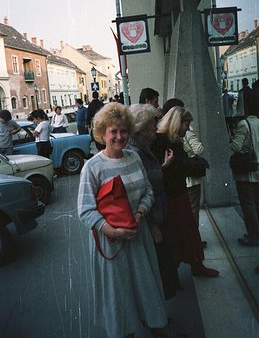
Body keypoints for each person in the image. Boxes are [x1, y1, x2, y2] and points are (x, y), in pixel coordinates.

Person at [77, 102, 186, 338]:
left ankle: (159, 327)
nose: (119, 136)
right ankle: (125, 333)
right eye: (113, 131)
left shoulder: (134, 158)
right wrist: (111, 231)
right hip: (111, 243)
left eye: (123, 130)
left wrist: (139, 214)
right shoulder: (92, 167)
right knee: (119, 293)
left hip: (138, 235)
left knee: (146, 285)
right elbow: (85, 210)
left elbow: (148, 192)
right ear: (103, 133)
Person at [152, 106, 219, 277]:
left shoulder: (171, 140)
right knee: (181, 233)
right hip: (170, 197)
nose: (188, 129)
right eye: (186, 125)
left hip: (177, 193)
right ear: (177, 123)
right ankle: (189, 268)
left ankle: (194, 266)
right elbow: (155, 173)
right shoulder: (160, 142)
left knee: (186, 232)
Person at [128, 104, 180, 300]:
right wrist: (153, 225)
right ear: (140, 130)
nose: (155, 130)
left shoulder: (142, 148)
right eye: (152, 126)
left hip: (156, 218)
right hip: (152, 222)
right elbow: (140, 193)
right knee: (160, 270)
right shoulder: (136, 152)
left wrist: (163, 167)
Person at [230, 95, 259, 246]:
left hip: (246, 171)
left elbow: (235, 147)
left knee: (248, 204)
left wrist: (233, 140)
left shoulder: (244, 124)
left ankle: (253, 236)